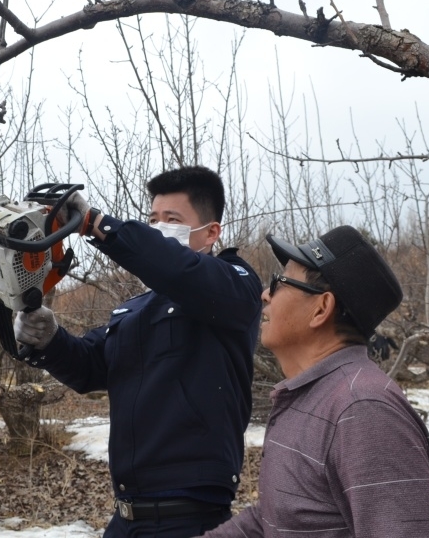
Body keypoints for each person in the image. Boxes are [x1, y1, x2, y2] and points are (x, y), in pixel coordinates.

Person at [14, 166, 263, 538]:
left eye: (171, 220)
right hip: (127, 516)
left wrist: (97, 225)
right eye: (152, 220)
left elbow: (179, 271)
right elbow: (89, 368)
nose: (156, 229)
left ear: (211, 232)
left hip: (191, 515)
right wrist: (48, 340)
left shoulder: (234, 284)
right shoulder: (135, 310)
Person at [202, 225, 429, 538]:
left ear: (321, 308)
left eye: (280, 282)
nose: (265, 294)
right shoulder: (312, 394)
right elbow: (274, 519)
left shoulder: (363, 411)